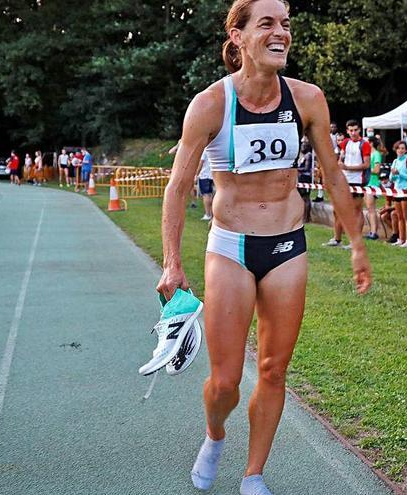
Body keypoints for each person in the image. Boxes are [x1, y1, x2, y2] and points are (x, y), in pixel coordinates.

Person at [156, 2, 371, 494]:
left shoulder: (308, 99)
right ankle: (214, 435)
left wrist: (357, 243)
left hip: (287, 247)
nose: (282, 33)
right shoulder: (210, 104)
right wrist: (172, 261)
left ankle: (253, 474)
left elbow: (334, 175)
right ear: (238, 36)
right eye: (267, 23)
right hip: (230, 247)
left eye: (287, 24)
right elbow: (178, 185)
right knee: (225, 382)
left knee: (274, 369)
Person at [324, 119, 370, 248]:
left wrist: (348, 167)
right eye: (351, 130)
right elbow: (341, 159)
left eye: (355, 130)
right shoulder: (345, 143)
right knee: (337, 210)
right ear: (347, 131)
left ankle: (355, 241)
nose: (353, 133)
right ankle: (337, 238)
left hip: (357, 181)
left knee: (356, 211)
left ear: (359, 130)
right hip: (344, 180)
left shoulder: (364, 144)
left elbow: (366, 164)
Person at [390, 140, 407, 247]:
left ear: (405, 150)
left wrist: (399, 173)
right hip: (397, 190)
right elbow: (392, 179)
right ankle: (401, 239)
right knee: (399, 216)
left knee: (406, 217)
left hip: (406, 190)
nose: (400, 150)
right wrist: (393, 175)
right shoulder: (395, 161)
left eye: (402, 148)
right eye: (398, 148)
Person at [363, 135, 384, 240]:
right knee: (369, 208)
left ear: (371, 143)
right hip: (366, 184)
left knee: (371, 209)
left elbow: (376, 170)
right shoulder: (368, 154)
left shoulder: (376, 154)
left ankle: (374, 232)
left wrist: (365, 168)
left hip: (373, 184)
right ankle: (372, 230)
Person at [296, 138, 313, 223]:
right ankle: (303, 216)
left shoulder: (308, 155)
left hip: (306, 178)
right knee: (302, 197)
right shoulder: (303, 156)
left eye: (304, 146)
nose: (302, 147)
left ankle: (306, 217)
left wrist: (297, 169)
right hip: (301, 178)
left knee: (306, 197)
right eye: (302, 145)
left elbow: (306, 168)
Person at [197, 150, 215, 221]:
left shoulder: (205, 149)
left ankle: (208, 214)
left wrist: (196, 174)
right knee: (211, 195)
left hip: (204, 175)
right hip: (214, 175)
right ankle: (212, 213)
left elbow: (201, 162)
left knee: (206, 195)